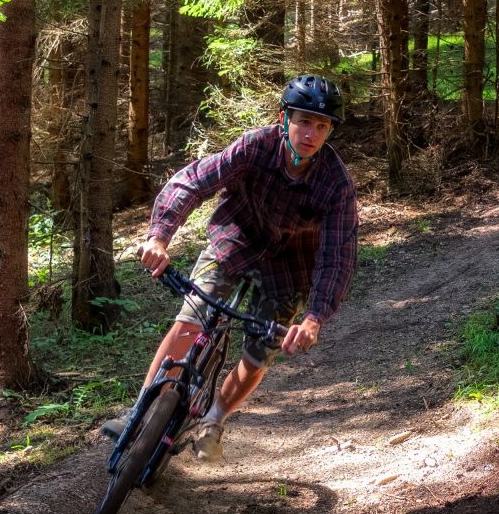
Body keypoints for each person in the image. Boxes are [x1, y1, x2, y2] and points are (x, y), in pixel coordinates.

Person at [104, 73, 358, 462]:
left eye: (322, 126)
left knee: (260, 351)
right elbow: (194, 181)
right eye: (304, 121)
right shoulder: (256, 146)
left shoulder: (335, 184)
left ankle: (215, 418)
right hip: (234, 237)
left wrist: (314, 318)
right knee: (191, 318)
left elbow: (336, 255)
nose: (311, 133)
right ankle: (139, 411)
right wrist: (159, 236)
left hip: (289, 264)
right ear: (284, 118)